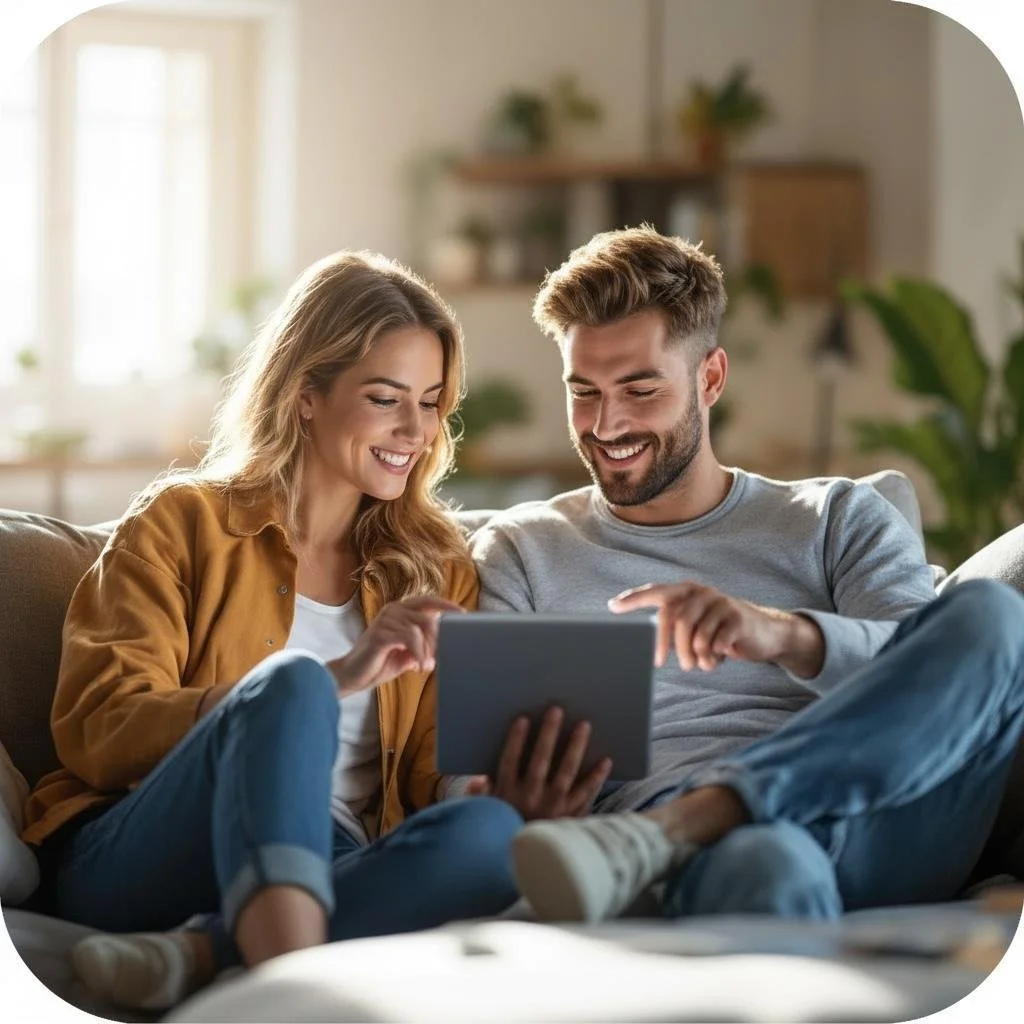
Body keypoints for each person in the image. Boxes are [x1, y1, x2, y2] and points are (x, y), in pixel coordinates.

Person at [469, 225, 1024, 924]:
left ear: (711, 378)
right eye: (584, 392)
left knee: (994, 618)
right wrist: (521, 806)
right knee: (769, 863)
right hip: (704, 859)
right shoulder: (523, 550)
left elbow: (928, 685)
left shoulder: (838, 517)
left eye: (640, 389)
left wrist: (784, 636)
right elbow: (471, 780)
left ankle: (702, 815)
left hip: (879, 820)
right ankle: (692, 829)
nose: (606, 424)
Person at [20, 251, 530, 1010]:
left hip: (336, 855)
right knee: (290, 683)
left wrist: (498, 780)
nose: (414, 430)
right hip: (147, 845)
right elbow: (98, 725)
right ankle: (289, 993)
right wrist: (327, 682)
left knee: (490, 835)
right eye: (386, 398)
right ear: (306, 396)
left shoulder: (435, 567)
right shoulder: (181, 523)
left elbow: (427, 775)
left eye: (430, 402)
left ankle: (208, 950)